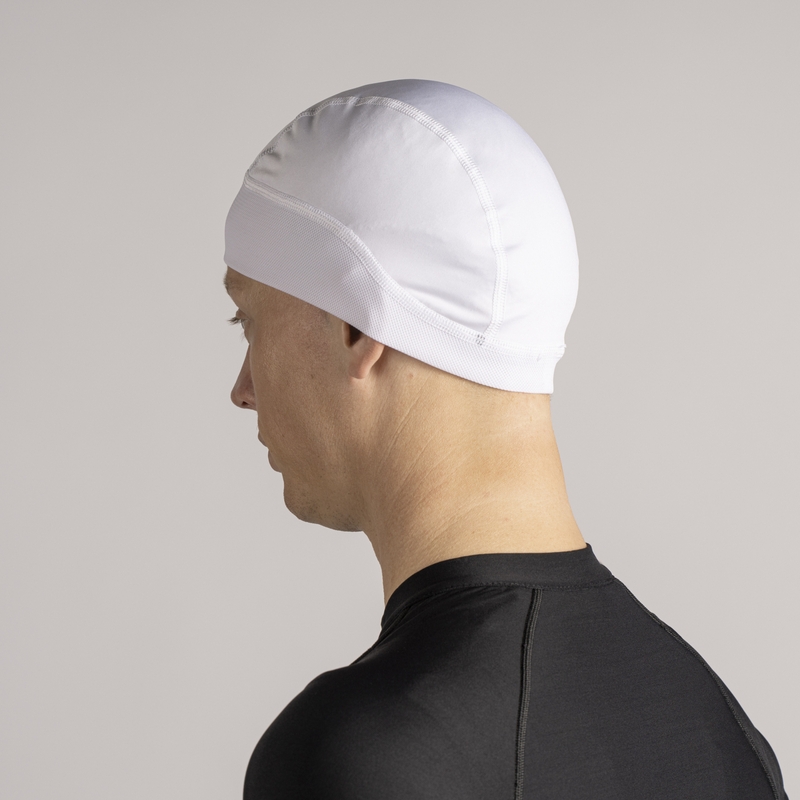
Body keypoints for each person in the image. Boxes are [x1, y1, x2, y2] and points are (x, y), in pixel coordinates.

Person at [222, 79, 788, 799]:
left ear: (357, 326)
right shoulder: (724, 733)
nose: (243, 388)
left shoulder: (365, 753)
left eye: (248, 321)